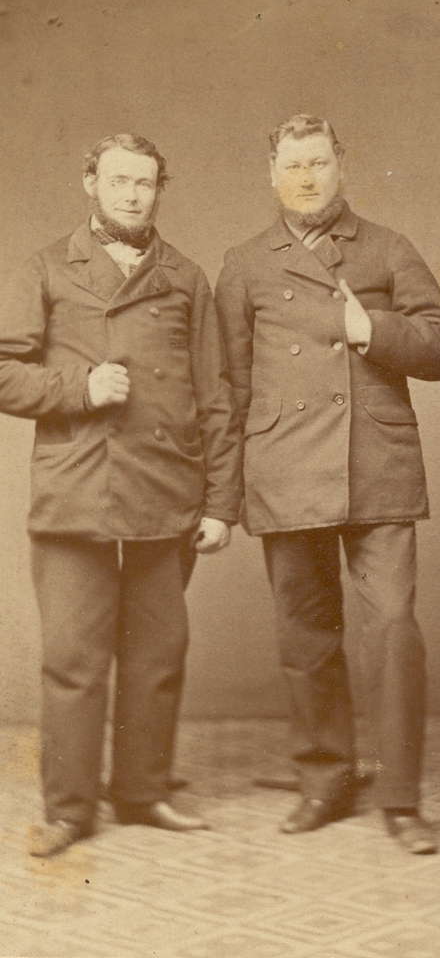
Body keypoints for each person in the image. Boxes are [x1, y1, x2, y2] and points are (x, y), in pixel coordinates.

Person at [214, 114, 440, 853]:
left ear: (341, 166)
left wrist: (374, 331)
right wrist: (223, 497)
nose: (307, 177)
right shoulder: (244, 263)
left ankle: (400, 796)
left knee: (393, 630)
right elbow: (228, 386)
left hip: (375, 468)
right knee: (305, 636)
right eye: (293, 165)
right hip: (284, 467)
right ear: (272, 174)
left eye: (318, 162)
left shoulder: (388, 247)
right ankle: (324, 779)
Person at [0, 134, 242, 857]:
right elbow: (3, 371)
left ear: (160, 189)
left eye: (144, 183)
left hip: (165, 490)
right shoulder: (47, 266)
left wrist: (221, 503)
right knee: (74, 659)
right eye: (118, 181)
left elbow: (215, 396)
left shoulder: (186, 277)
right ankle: (69, 809)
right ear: (90, 183)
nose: (132, 195)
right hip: (77, 492)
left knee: (157, 653)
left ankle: (142, 791)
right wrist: (79, 387)